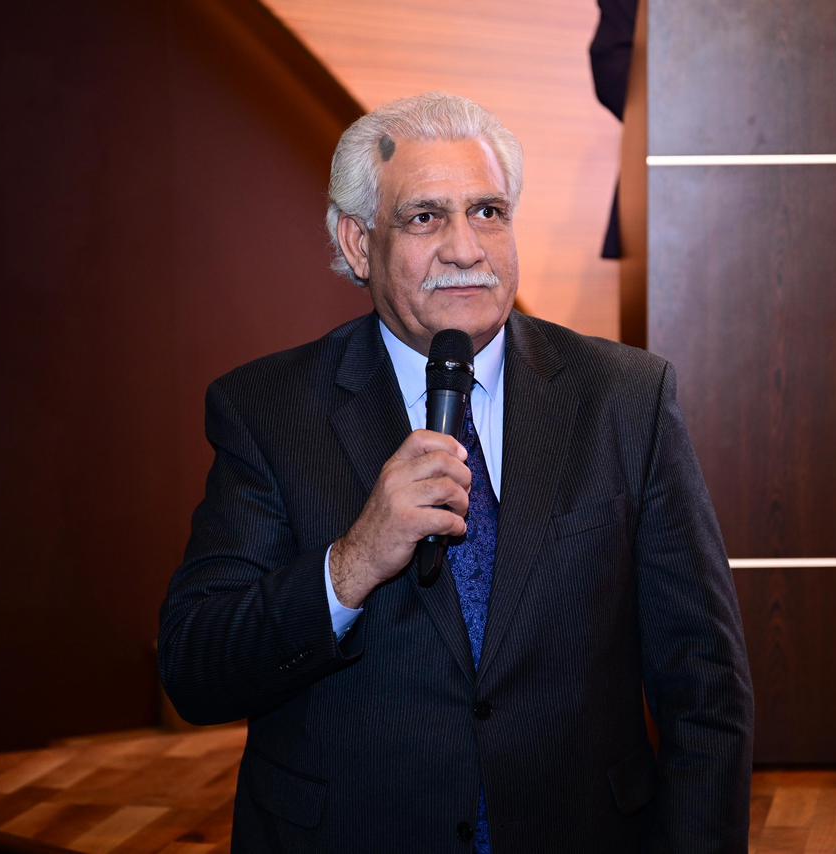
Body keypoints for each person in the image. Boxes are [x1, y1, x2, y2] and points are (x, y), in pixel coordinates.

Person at [158, 92, 753, 853]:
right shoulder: (266, 411)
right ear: (357, 242)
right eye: (424, 218)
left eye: (488, 212)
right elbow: (197, 666)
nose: (466, 249)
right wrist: (352, 563)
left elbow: (705, 685)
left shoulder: (626, 399)